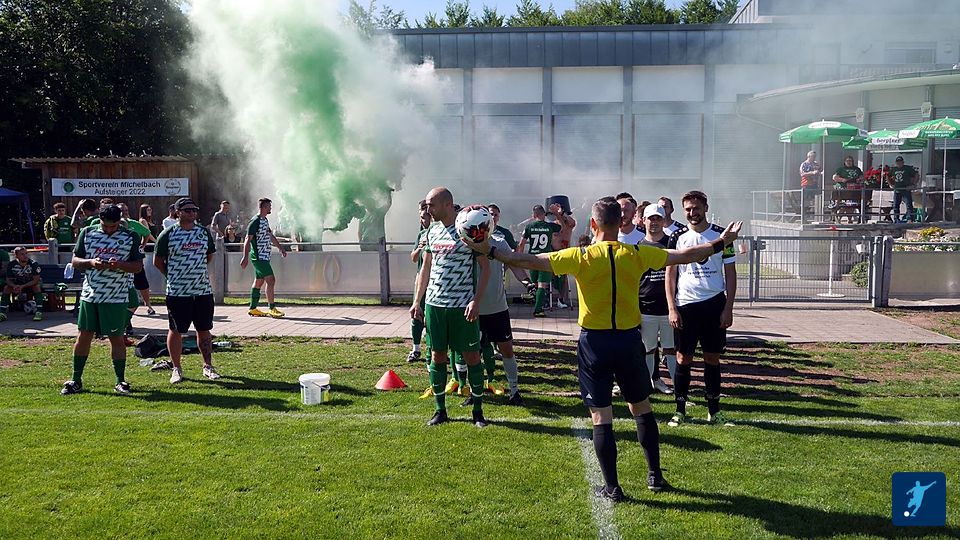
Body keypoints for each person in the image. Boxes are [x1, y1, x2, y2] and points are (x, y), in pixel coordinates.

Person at [461, 195, 742, 500]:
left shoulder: (581, 256)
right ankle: (655, 476)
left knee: (601, 416)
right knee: (642, 409)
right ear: (620, 223)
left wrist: (489, 249)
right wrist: (721, 242)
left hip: (595, 343)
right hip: (629, 341)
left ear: (593, 224)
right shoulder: (637, 253)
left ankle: (612, 487)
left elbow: (527, 260)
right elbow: (686, 255)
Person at [410, 188, 491, 428]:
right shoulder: (431, 231)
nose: (428, 210)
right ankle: (440, 410)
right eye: (426, 205)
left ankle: (478, 412)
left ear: (447, 204)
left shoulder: (467, 230)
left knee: (472, 356)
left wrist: (476, 301)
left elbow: (485, 268)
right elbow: (425, 268)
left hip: (462, 306)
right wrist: (417, 301)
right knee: (437, 355)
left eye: (431, 205)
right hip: (435, 305)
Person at [666, 190, 738, 427]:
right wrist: (672, 307)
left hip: (714, 305)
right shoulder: (677, 236)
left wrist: (728, 307)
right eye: (687, 209)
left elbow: (730, 273)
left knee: (712, 358)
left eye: (696, 208)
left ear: (706, 208)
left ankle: (714, 411)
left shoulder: (722, 236)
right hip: (685, 306)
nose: (692, 213)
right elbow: (670, 274)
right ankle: (680, 410)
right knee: (682, 358)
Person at [61, 205, 144, 396]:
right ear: (99, 220)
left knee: (116, 338)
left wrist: (119, 264)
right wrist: (91, 262)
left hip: (116, 296)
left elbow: (138, 266)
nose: (108, 229)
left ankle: (120, 380)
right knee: (84, 336)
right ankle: (75, 379)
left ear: (119, 221)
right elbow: (75, 261)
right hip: (90, 295)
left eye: (113, 226)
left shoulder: (130, 236)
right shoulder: (87, 232)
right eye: (105, 226)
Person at [154, 197, 221, 384]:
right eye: (188, 210)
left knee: (204, 329)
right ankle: (176, 368)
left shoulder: (203, 233)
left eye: (194, 210)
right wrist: (173, 276)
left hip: (202, 290)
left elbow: (209, 256)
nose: (192, 213)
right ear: (178, 212)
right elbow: (158, 262)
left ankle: (208, 366)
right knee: (176, 330)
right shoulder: (168, 234)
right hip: (177, 292)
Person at [476, 224, 523, 405]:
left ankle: (514, 391)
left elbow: (513, 263)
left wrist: (527, 282)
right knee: (472, 353)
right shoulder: (466, 243)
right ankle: (474, 391)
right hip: (474, 308)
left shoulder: (499, 242)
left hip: (497, 307)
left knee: (506, 350)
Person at [639, 205, 675, 394]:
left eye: (658, 218)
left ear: (663, 220)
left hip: (669, 308)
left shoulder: (672, 243)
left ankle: (678, 387)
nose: (654, 222)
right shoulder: (638, 247)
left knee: (670, 349)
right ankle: (647, 385)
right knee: (648, 348)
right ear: (643, 221)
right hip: (646, 307)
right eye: (650, 219)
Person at [241, 197, 287, 318]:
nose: (271, 208)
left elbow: (270, 236)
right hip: (259, 257)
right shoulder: (255, 221)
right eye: (269, 206)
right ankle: (272, 308)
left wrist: (280, 248)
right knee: (271, 280)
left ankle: (253, 308)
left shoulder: (264, 220)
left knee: (259, 281)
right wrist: (245, 257)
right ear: (264, 207)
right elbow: (247, 240)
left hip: (264, 256)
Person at [518, 205, 560, 317]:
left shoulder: (529, 227)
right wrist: (557, 213)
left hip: (533, 258)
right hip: (545, 258)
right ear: (544, 214)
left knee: (535, 285)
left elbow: (521, 244)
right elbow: (561, 226)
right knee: (542, 285)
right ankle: (538, 310)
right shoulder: (550, 226)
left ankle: (535, 303)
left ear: (534, 214)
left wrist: (520, 257)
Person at [407, 200, 432, 363]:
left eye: (425, 217)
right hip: (421, 282)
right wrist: (419, 248)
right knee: (417, 313)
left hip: (437, 282)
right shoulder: (421, 235)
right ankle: (416, 349)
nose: (423, 220)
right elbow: (414, 258)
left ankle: (434, 349)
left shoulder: (440, 232)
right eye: (421, 217)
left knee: (433, 318)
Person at [0, 247, 45, 322]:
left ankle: (39, 312)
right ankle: (2, 313)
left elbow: (36, 280)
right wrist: (14, 286)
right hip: (18, 284)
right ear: (16, 256)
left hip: (30, 284)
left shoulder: (33, 264)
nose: (25, 256)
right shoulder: (11, 265)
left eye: (26, 253)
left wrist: (23, 286)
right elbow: (8, 280)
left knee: (36, 287)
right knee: (6, 288)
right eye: (22, 254)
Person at [549, 202, 577, 307]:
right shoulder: (553, 224)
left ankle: (562, 299)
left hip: (564, 251)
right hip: (553, 252)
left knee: (564, 277)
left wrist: (561, 213)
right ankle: (548, 298)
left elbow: (571, 223)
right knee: (551, 276)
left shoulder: (569, 224)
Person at [831, 156, 866, 222]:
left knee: (853, 204)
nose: (849, 162)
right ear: (844, 162)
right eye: (847, 161)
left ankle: (851, 219)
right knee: (843, 204)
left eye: (850, 161)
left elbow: (862, 177)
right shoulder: (841, 169)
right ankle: (838, 218)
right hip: (843, 190)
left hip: (854, 190)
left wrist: (859, 179)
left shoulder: (857, 169)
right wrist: (842, 179)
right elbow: (835, 177)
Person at [889, 156, 919, 222]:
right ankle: (896, 219)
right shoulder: (894, 169)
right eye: (898, 162)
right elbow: (887, 175)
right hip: (897, 189)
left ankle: (910, 219)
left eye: (900, 162)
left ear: (903, 162)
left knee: (908, 204)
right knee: (895, 205)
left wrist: (913, 184)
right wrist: (891, 184)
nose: (899, 163)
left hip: (906, 189)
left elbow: (916, 175)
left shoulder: (907, 168)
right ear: (896, 163)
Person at [799, 151, 823, 218]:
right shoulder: (804, 164)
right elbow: (802, 174)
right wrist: (812, 173)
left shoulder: (816, 164)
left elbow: (820, 170)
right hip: (806, 184)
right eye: (813, 156)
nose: (814, 158)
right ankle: (803, 216)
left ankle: (816, 215)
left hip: (814, 184)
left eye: (815, 156)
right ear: (809, 156)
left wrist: (820, 172)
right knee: (805, 201)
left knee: (816, 199)